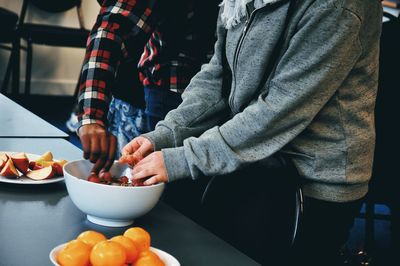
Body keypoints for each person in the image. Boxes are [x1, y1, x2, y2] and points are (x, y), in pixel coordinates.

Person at [119, 0, 383, 265]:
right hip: (253, 164)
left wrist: (184, 158)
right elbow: (218, 75)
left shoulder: (339, 6)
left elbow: (280, 109)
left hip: (315, 182)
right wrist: (165, 136)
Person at [75, 0, 220, 173]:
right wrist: (92, 117)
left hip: (222, 94)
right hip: (170, 93)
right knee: (158, 186)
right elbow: (112, 29)